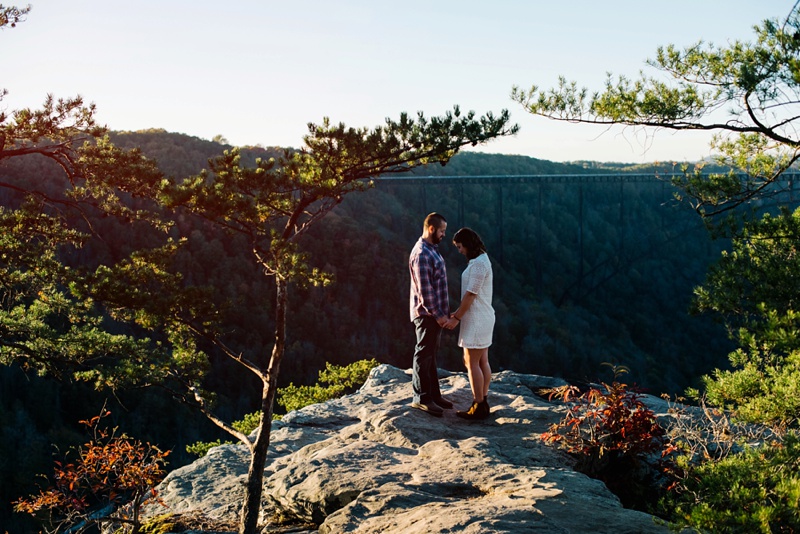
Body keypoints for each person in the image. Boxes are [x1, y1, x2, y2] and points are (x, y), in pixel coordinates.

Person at [408, 212, 454, 417]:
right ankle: (421, 398)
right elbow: (425, 291)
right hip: (427, 314)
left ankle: (433, 395)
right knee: (423, 353)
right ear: (432, 229)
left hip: (434, 314)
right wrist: (439, 315)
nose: (444, 234)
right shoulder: (422, 254)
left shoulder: (431, 250)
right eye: (442, 231)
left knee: (430, 355)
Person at [446, 227, 494, 420]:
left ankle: (478, 404)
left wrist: (457, 317)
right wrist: (458, 313)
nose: (459, 251)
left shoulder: (478, 265)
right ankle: (483, 400)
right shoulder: (482, 259)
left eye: (459, 246)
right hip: (482, 316)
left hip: (476, 319)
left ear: (467, 244)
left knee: (471, 362)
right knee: (482, 361)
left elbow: (471, 294)